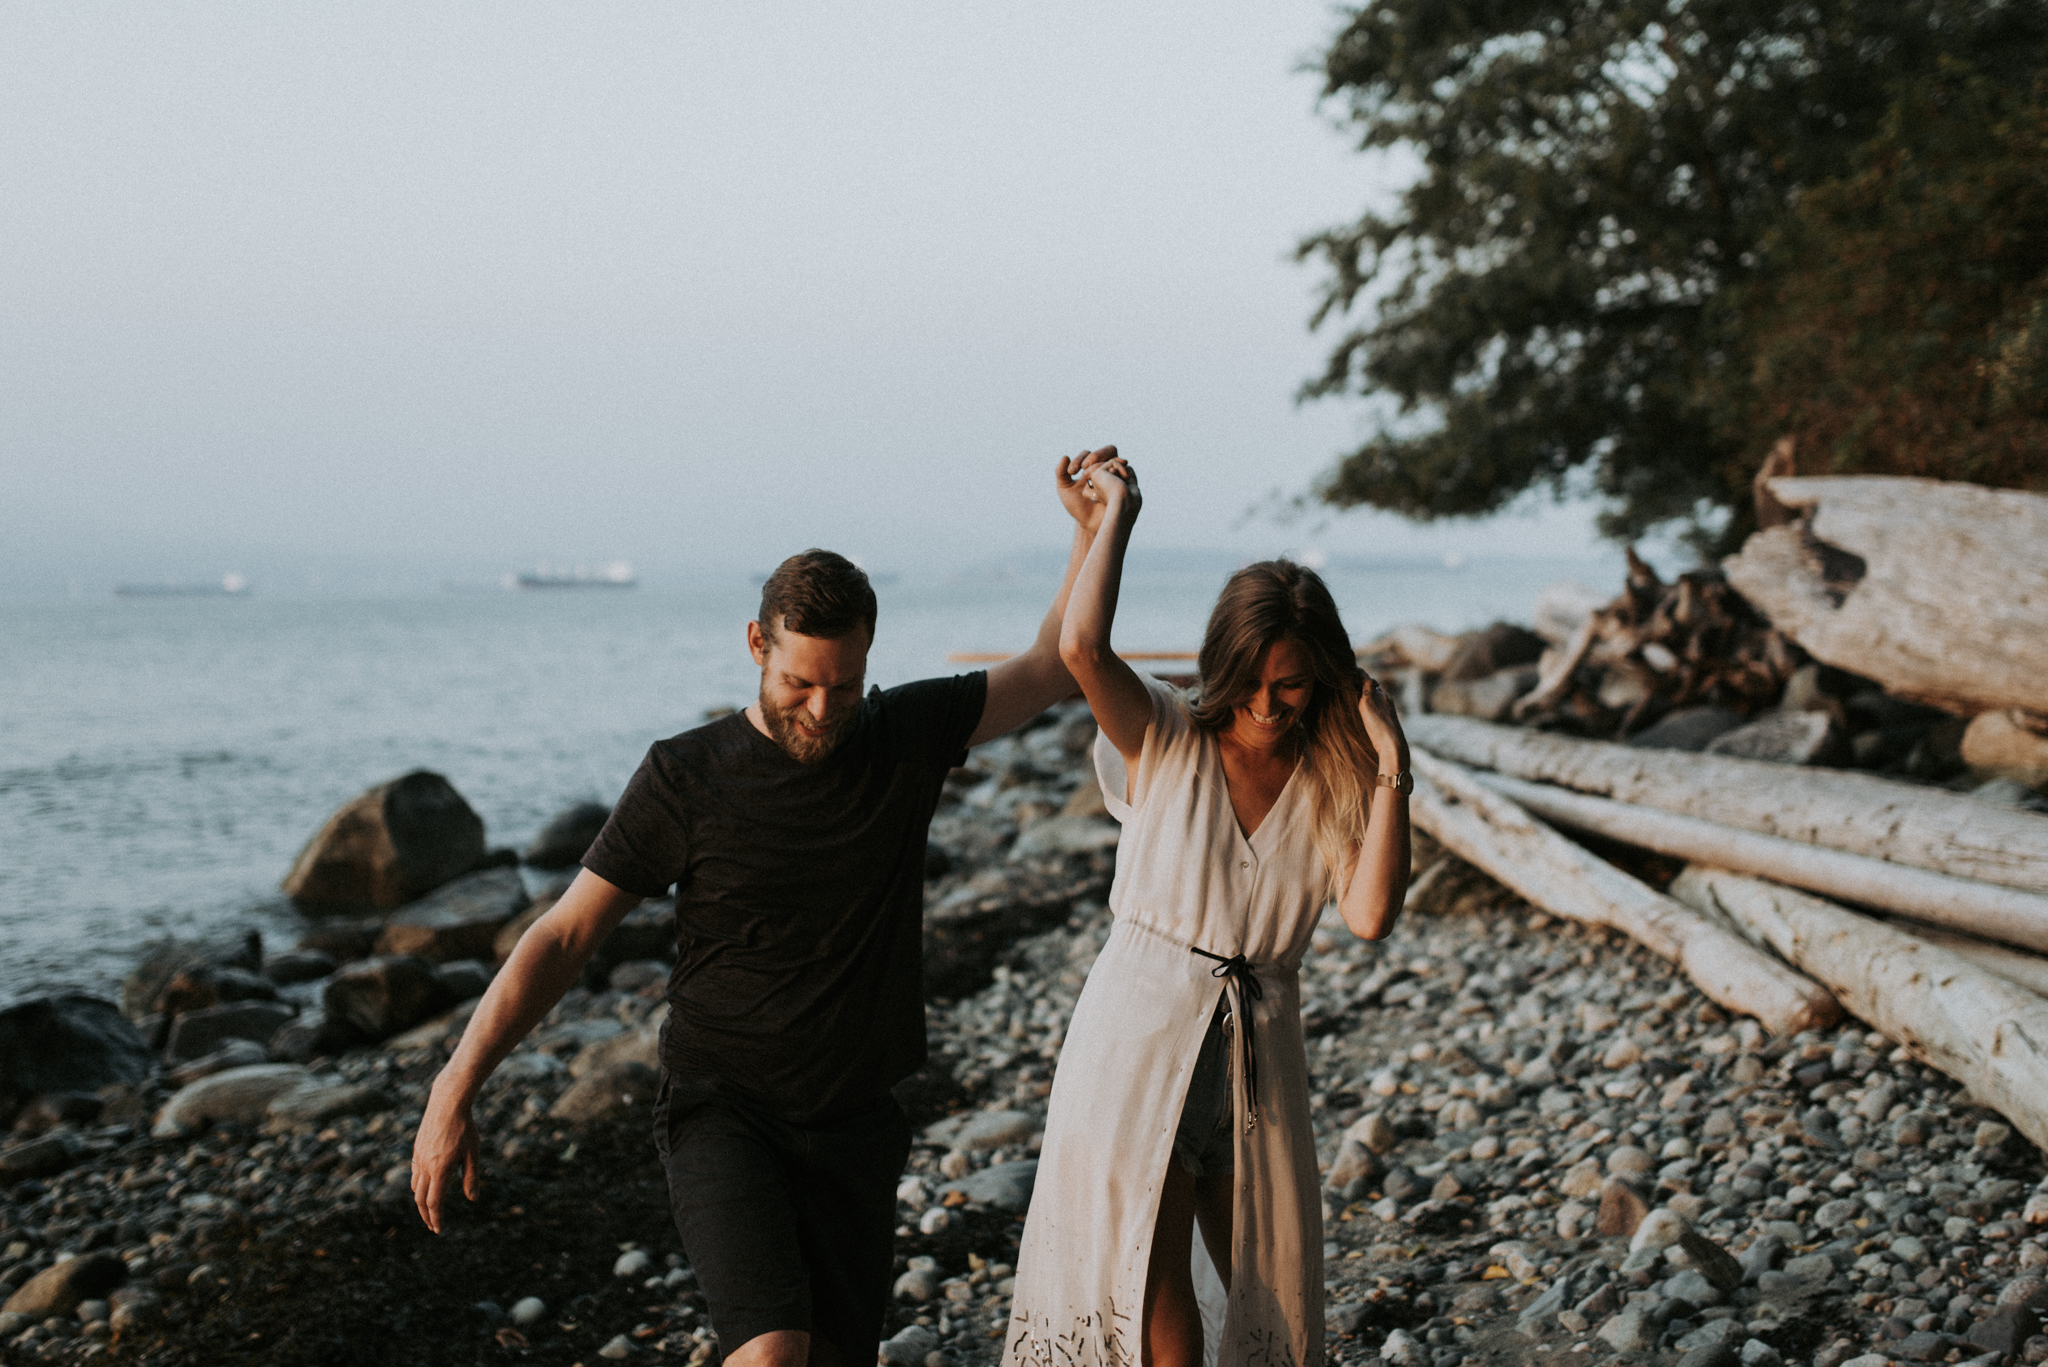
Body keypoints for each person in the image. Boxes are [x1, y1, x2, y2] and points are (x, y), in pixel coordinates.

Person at [411, 449, 1125, 1367]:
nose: (824, 709)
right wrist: (454, 1084)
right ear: (757, 645)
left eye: (845, 684)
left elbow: (1048, 665)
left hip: (859, 1120)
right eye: (800, 683)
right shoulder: (685, 775)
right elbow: (565, 930)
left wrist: (1087, 531)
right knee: (771, 1354)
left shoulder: (903, 736)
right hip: (724, 1108)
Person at [1003, 458, 1413, 1367]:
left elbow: (1372, 913)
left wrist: (1392, 766)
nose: (1269, 705)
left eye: (1295, 684)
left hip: (1255, 1060)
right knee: (1152, 1286)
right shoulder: (1165, 734)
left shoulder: (1331, 780)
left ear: (1324, 677)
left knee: (1269, 1284)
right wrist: (1117, 518)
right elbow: (1079, 651)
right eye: (1256, 679)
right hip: (1136, 1039)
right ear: (1225, 664)